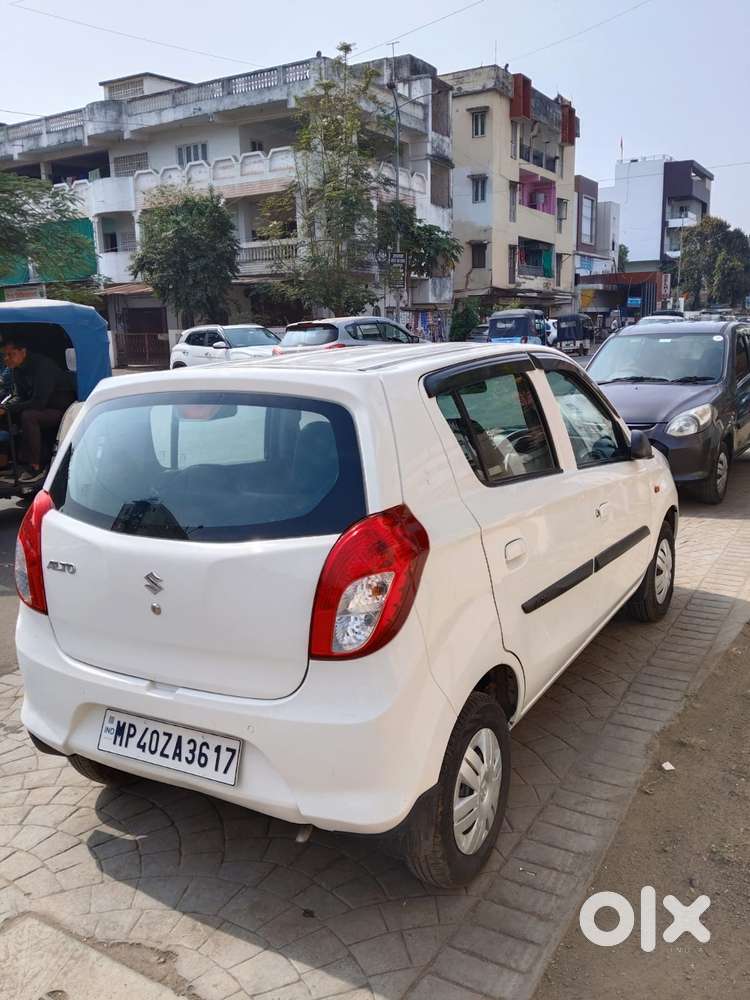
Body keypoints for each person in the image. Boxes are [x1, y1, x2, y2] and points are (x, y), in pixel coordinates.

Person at [0, 336, 76, 484]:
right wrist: (5, 408)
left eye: (11, 354)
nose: (7, 359)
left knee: (29, 416)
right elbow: (19, 396)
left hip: (62, 409)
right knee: (10, 416)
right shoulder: (17, 369)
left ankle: (36, 467)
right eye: (4, 355)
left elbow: (39, 402)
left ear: (23, 351)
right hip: (43, 407)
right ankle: (13, 460)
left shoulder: (43, 366)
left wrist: (8, 408)